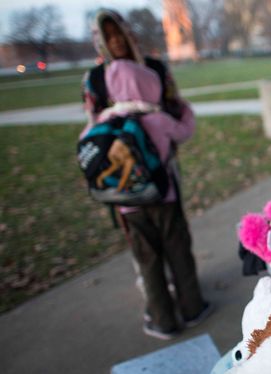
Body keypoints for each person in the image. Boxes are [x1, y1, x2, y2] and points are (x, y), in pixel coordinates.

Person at [80, 9, 211, 340]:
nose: (115, 40)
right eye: (108, 36)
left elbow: (89, 140)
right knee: (177, 244)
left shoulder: (102, 115)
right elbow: (183, 126)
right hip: (162, 187)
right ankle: (193, 306)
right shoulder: (157, 113)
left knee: (147, 256)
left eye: (118, 33)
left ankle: (162, 318)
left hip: (125, 195)